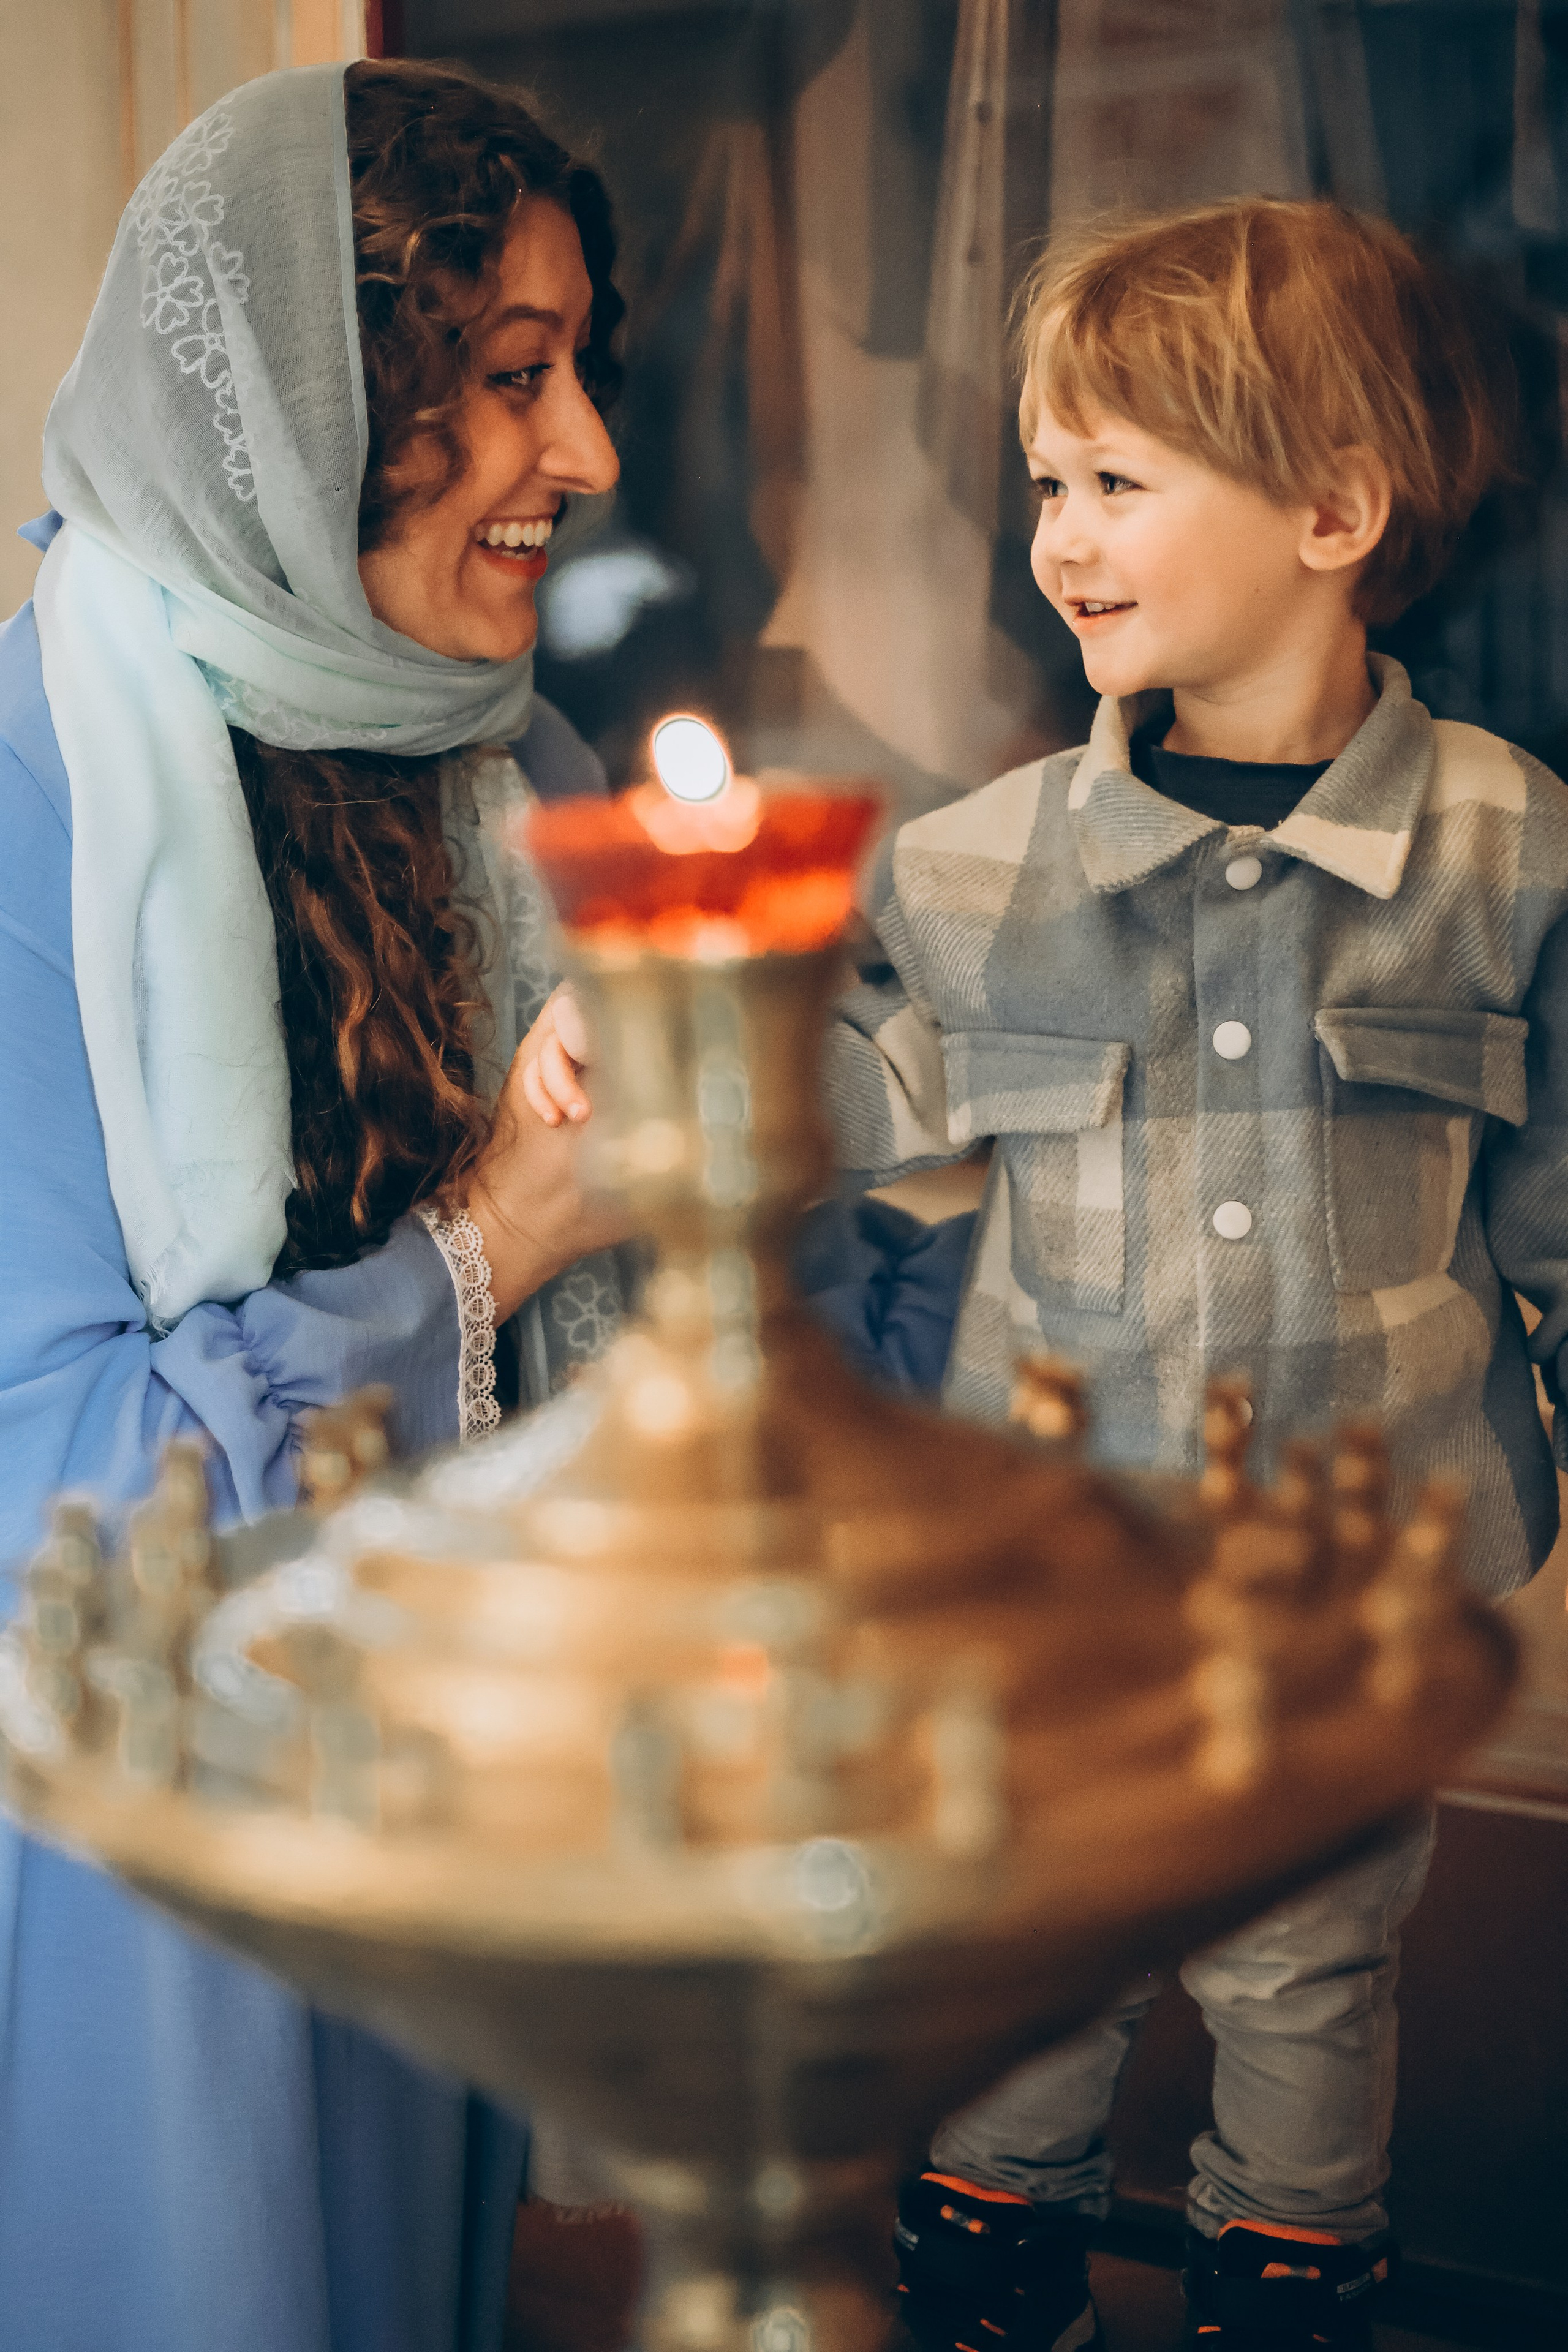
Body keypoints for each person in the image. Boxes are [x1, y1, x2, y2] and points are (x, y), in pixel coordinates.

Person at [816, 200, 1568, 2350]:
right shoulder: (976, 865)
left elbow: (1566, 1210)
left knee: (1311, 1969)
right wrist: (663, 1042)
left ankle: (1284, 2296)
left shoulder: (1512, 850)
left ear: (1337, 508)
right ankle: (992, 2286)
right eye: (1048, 482)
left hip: (1359, 1583)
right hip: (1058, 1583)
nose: (1059, 535)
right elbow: (837, 1096)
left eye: (1120, 481)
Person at [0, 55, 631, 2352]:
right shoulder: (30, 816)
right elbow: (47, 1493)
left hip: (420, 1816)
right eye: (513, 380)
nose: (591, 461)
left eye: (580, 376)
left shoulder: (495, 761)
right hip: (136, 1903)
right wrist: (497, 1239)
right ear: (315, 406)